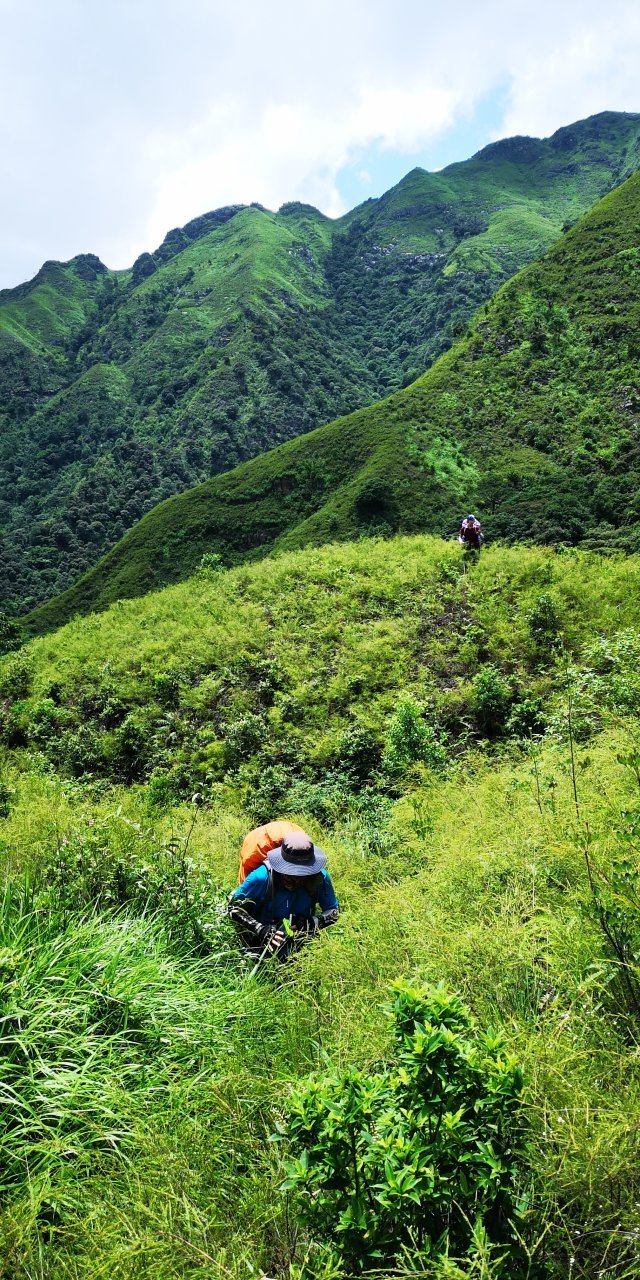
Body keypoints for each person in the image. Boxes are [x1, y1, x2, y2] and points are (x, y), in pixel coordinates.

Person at [228, 828, 339, 961]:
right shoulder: (261, 877)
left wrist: (312, 923)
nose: (295, 881)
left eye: (301, 875)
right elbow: (233, 908)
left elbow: (334, 911)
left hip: (302, 954)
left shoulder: (319, 879)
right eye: (290, 875)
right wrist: (261, 929)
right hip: (259, 953)